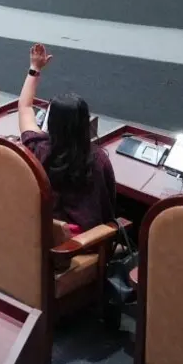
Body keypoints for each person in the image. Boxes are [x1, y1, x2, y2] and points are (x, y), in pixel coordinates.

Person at [16, 44, 116, 231]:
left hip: (39, 234)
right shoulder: (98, 160)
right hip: (78, 244)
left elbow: (25, 107)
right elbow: (107, 209)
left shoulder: (35, 148)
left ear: (50, 122)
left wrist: (35, 68)